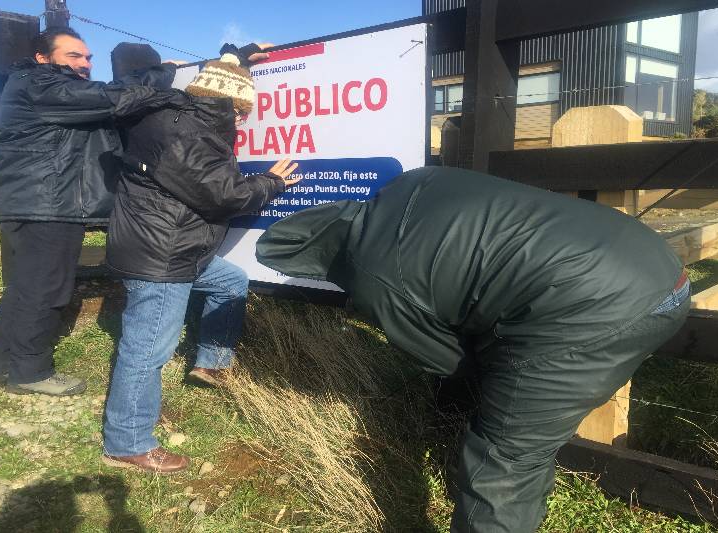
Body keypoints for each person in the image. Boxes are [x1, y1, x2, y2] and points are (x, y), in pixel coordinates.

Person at [255, 167, 690, 532]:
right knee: (519, 424)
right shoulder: (413, 182)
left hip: (594, 306)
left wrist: (492, 399)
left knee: (505, 458)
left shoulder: (373, 277)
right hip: (659, 265)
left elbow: (448, 359)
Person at [101, 46, 301, 474]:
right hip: (163, 257)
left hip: (167, 244)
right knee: (148, 349)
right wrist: (272, 182)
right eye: (243, 112)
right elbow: (223, 196)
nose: (244, 121)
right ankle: (127, 443)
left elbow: (221, 85)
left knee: (230, 282)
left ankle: (211, 364)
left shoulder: (170, 113)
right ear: (232, 107)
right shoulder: (192, 137)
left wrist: (239, 57)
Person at [0, 27, 194, 396]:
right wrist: (162, 72)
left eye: (87, 57)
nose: (85, 64)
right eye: (73, 56)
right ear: (43, 58)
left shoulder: (38, 85)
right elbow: (112, 96)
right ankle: (29, 372)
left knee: (25, 287)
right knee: (46, 289)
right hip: (48, 203)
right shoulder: (41, 84)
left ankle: (1, 366)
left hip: (39, 201)